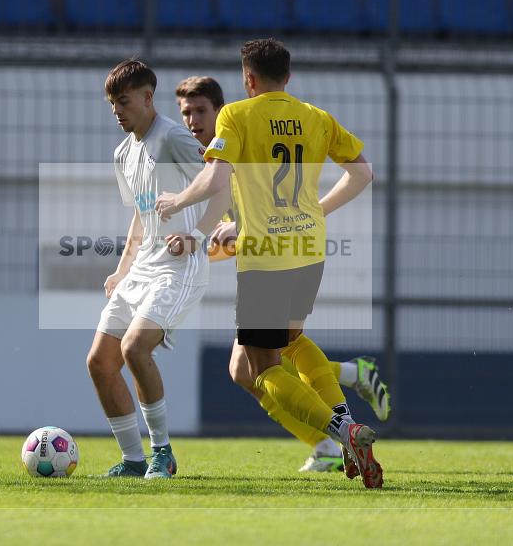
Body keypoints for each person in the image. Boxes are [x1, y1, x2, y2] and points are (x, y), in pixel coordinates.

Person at [156, 40, 381, 488]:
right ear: (288, 77)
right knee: (294, 340)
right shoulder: (317, 118)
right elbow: (363, 173)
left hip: (266, 254)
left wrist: (177, 200)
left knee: (264, 369)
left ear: (248, 80)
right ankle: (345, 428)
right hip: (310, 249)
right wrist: (316, 210)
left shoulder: (236, 116)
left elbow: (217, 176)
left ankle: (344, 433)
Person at [87, 59, 227, 479]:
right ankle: (133, 459)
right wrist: (121, 268)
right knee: (99, 362)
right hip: (142, 268)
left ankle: (162, 454)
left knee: (134, 348)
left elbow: (221, 185)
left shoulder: (172, 137)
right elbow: (141, 216)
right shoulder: (123, 152)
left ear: (148, 98)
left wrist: (198, 236)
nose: (117, 110)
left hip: (178, 267)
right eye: (112, 103)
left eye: (124, 101)